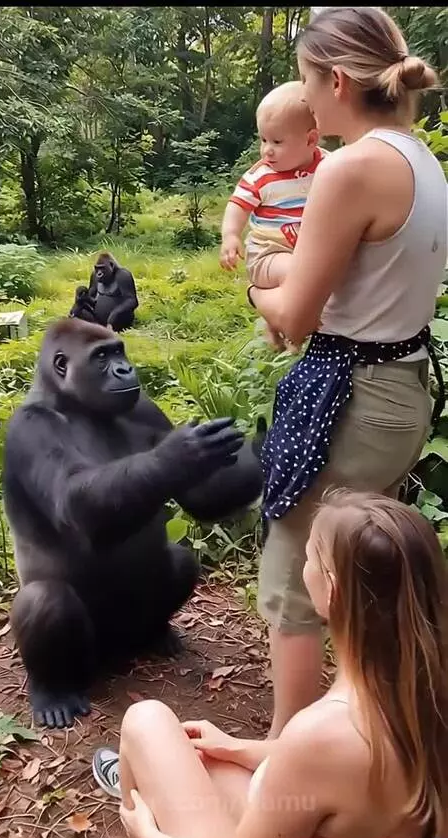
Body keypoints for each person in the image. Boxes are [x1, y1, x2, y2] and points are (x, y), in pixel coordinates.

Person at [244, 5, 447, 739]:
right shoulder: (418, 160)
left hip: (351, 397)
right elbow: (340, 271)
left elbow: (296, 316)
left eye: (305, 80)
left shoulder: (351, 168)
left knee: (297, 574)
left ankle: (289, 755)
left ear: (335, 81)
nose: (303, 98)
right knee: (356, 572)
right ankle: (371, 731)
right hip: (401, 387)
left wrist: (258, 280)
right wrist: (286, 272)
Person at [92, 491, 448, 838]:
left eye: (310, 555)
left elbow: (325, 757)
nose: (304, 564)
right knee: (206, 761)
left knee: (146, 722)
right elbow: (341, 768)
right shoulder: (422, 686)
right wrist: (237, 748)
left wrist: (151, 837)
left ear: (332, 589)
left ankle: (142, 806)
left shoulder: (324, 731)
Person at [220, 81, 326, 352]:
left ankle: (276, 320)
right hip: (268, 255)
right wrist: (231, 235)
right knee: (297, 273)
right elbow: (237, 205)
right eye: (263, 140)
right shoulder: (261, 176)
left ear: (311, 140)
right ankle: (293, 333)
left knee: (315, 274)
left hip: (306, 253)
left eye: (277, 142)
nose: (267, 149)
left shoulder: (328, 166)